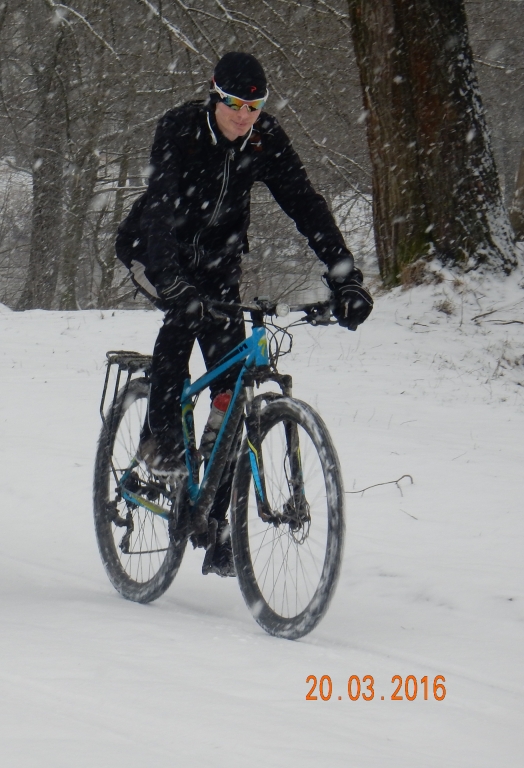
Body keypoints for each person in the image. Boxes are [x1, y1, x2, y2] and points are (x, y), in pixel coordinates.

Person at [115, 52, 373, 574]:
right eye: (234, 104)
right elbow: (161, 205)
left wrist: (345, 276)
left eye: (254, 107)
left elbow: (305, 204)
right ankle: (160, 438)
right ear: (214, 96)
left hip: (218, 261)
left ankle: (215, 522)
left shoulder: (265, 138)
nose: (243, 116)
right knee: (182, 321)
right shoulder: (181, 129)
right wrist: (172, 280)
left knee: (231, 384)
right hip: (154, 250)